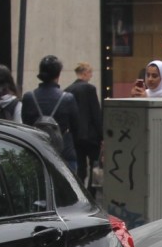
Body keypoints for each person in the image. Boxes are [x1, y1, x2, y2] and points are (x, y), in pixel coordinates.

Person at [21, 55, 81, 174]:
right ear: (58, 74)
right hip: (64, 153)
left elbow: (25, 125)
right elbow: (76, 128)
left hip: (37, 153)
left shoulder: (29, 97)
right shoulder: (67, 98)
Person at [66, 62, 103, 191]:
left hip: (76, 135)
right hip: (92, 136)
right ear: (85, 72)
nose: (91, 76)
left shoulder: (68, 90)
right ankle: (92, 192)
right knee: (95, 165)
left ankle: (80, 190)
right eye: (90, 73)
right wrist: (102, 134)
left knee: (81, 166)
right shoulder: (90, 89)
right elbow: (96, 113)